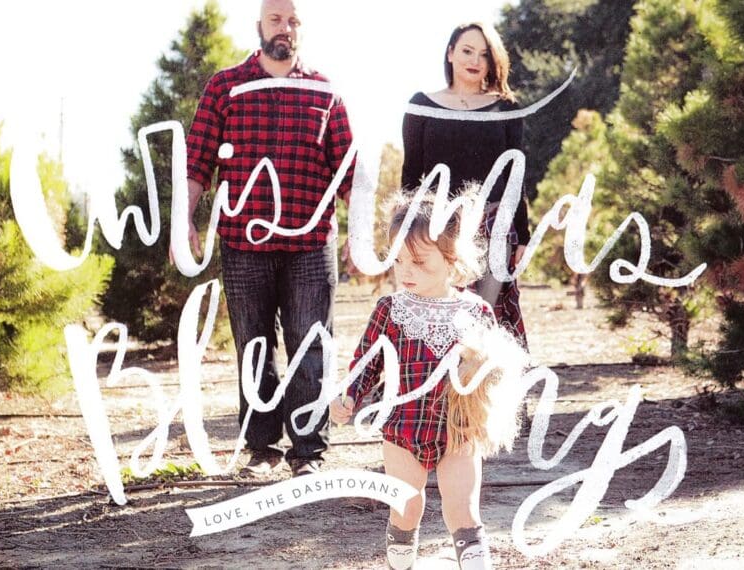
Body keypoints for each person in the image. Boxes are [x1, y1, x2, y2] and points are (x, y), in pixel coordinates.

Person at [180, 0, 354, 477]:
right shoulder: (225, 87)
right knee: (253, 346)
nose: (286, 28)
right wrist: (185, 219)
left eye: (294, 21)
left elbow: (348, 173)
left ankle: (308, 453)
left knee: (309, 345)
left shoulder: (324, 91)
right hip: (243, 241)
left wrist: (362, 233)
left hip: (310, 242)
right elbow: (197, 161)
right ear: (259, 25)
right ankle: (261, 449)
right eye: (277, 19)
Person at [331, 195, 524, 570]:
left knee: (464, 513)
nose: (406, 270)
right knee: (407, 508)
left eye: (419, 261)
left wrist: (489, 372)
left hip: (459, 429)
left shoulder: (475, 311)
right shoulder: (391, 310)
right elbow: (365, 364)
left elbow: (493, 368)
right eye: (398, 259)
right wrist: (349, 396)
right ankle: (400, 559)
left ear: (451, 258)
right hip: (404, 429)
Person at [401, 22, 530, 348]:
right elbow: (411, 174)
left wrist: (523, 236)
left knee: (481, 326)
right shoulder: (421, 105)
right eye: (467, 51)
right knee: (438, 321)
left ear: (493, 61)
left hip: (494, 228)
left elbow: (516, 176)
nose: (475, 60)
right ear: (451, 54)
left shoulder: (507, 108)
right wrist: (404, 234)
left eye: (484, 54)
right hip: (436, 230)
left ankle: (481, 398)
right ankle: (437, 398)